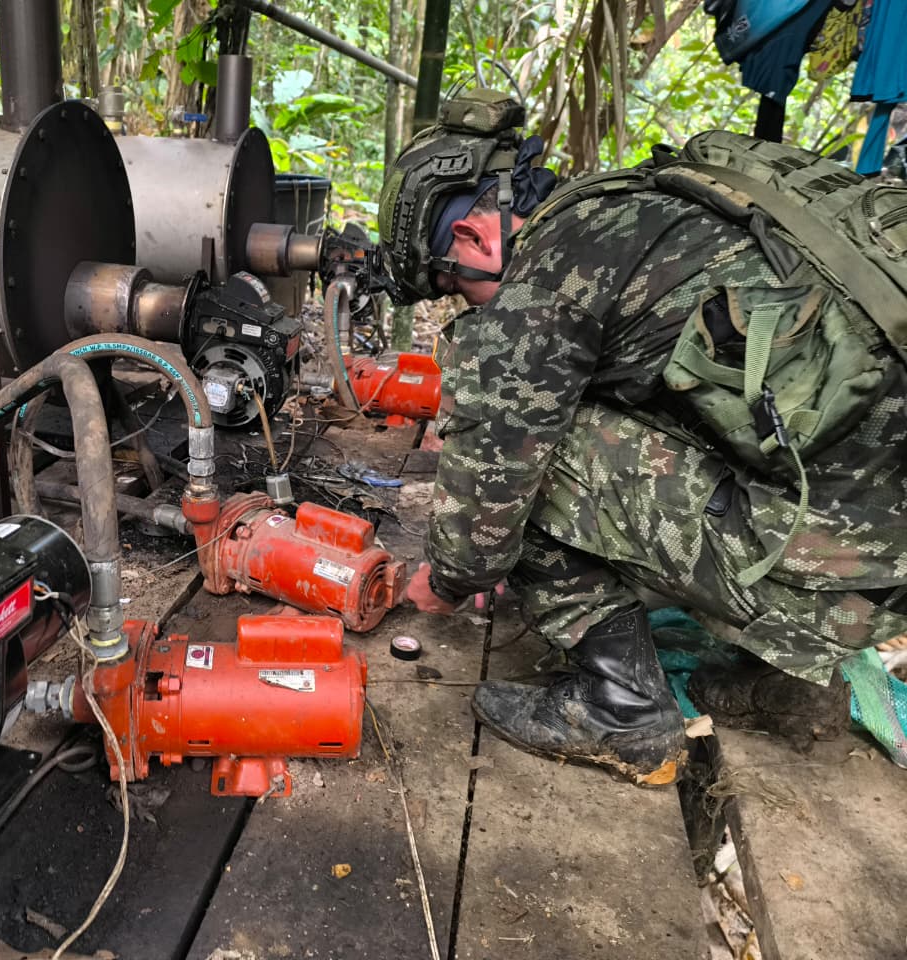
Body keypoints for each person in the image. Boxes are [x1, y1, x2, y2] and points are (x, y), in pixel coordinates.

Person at [380, 89, 907, 785]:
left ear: (474, 238)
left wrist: (448, 579)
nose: (466, 300)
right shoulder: (656, 209)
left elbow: (489, 490)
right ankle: (787, 687)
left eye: (453, 286)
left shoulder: (550, 275)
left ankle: (621, 710)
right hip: (881, 565)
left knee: (523, 458)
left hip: (838, 576)